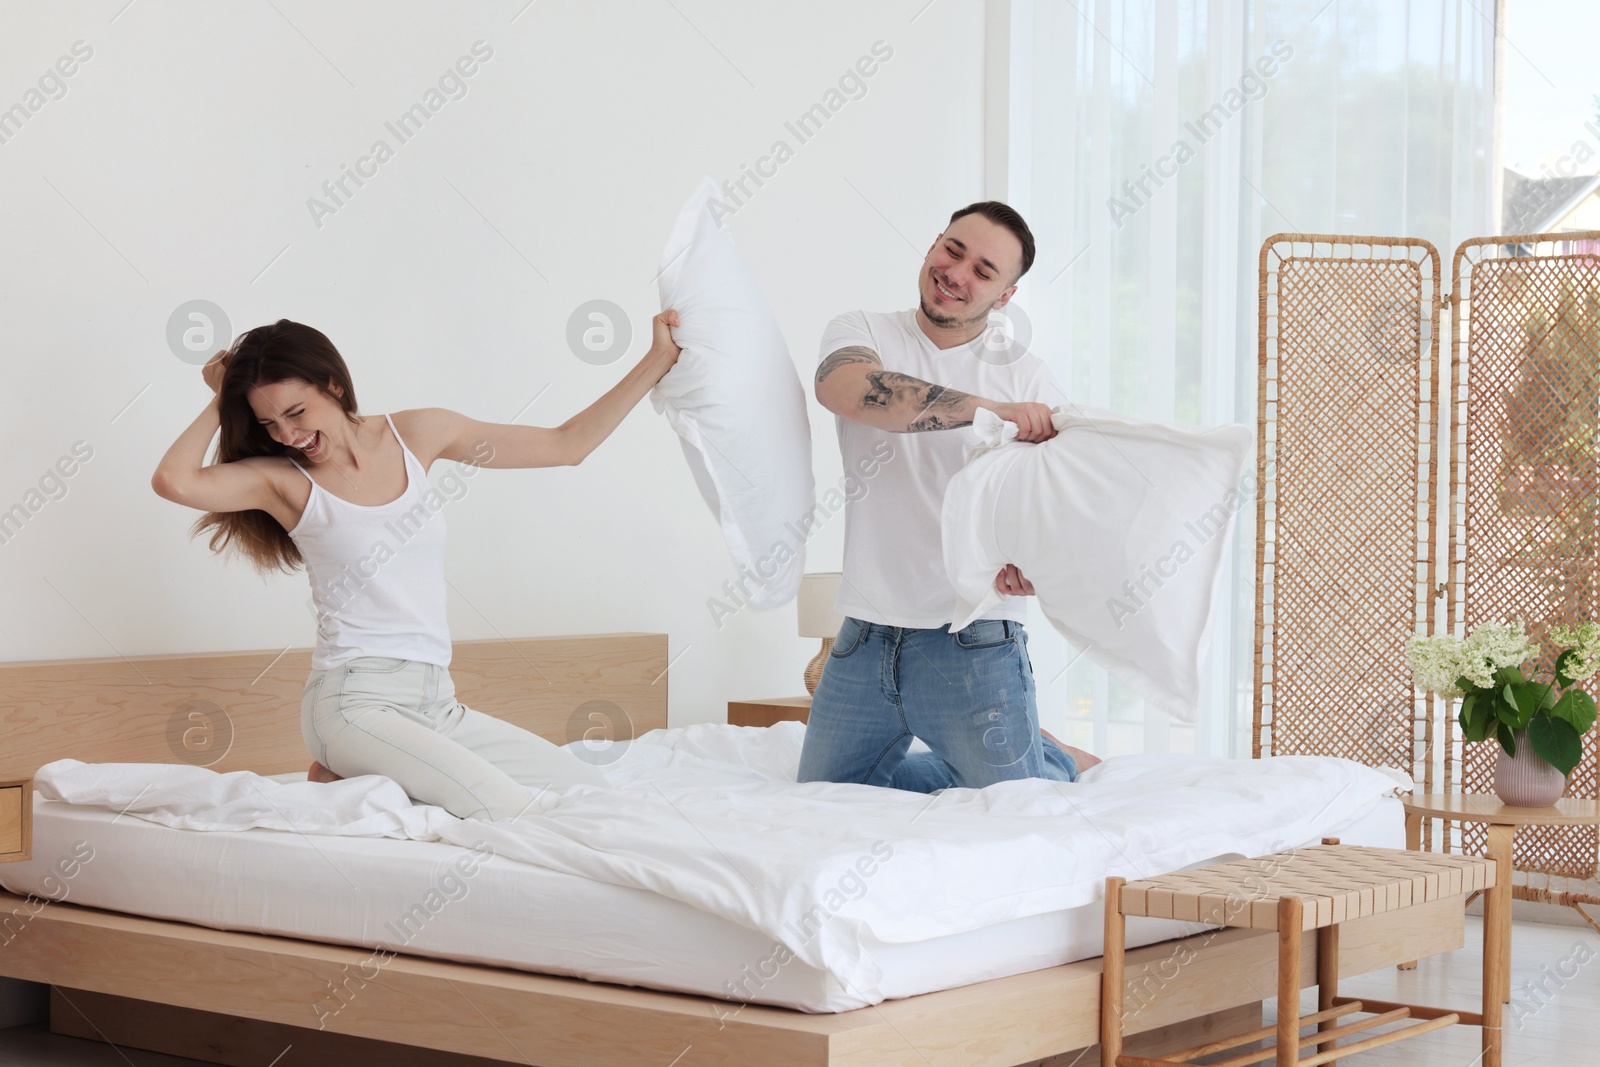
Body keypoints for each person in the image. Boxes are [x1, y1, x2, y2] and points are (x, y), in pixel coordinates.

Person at [152, 312, 682, 820]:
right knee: (510, 811)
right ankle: (355, 773)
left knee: (588, 795)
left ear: (333, 385)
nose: (289, 436)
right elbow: (173, 480)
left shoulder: (417, 435)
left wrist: (658, 358)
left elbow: (567, 445)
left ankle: (354, 785)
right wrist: (222, 394)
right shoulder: (282, 481)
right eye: (269, 423)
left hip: (437, 704)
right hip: (353, 704)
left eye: (296, 413)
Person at [800, 201, 1099, 792]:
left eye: (984, 271)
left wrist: (1037, 565)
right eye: (953, 250)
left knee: (1014, 806)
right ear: (935, 243)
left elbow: (1058, 503)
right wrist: (992, 413)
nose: (957, 274)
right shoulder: (862, 331)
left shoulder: (1029, 378)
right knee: (823, 803)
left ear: (1006, 295)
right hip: (863, 636)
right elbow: (851, 391)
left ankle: (1054, 759)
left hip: (976, 638)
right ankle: (1031, 747)